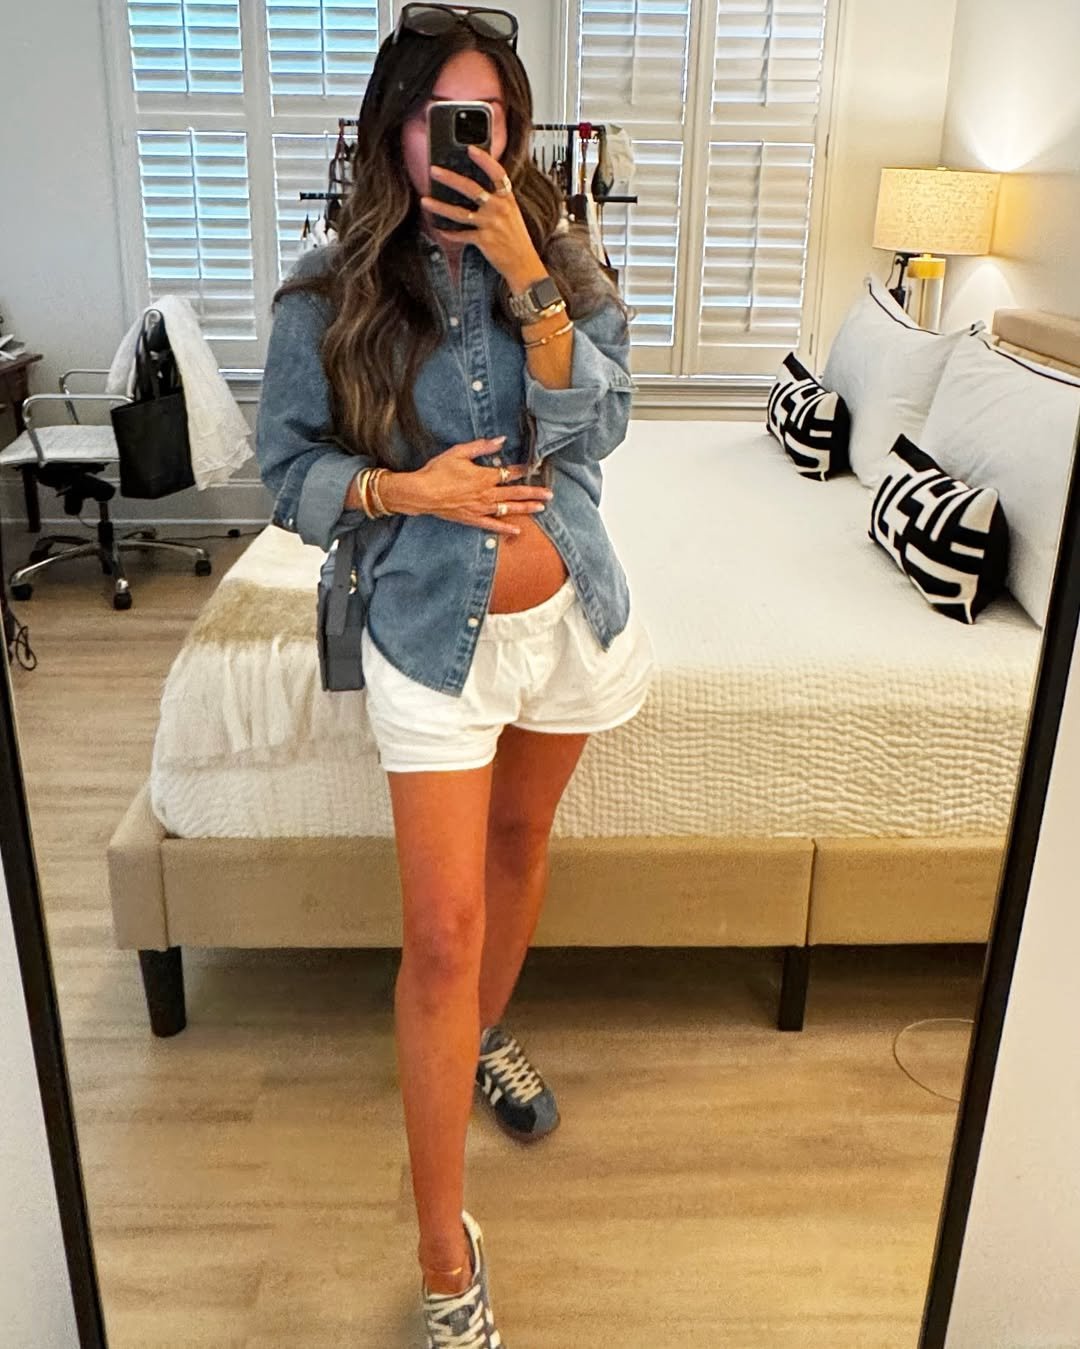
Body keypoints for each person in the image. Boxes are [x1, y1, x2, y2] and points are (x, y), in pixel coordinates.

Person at [255, 4, 656, 1343]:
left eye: (489, 119)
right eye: (443, 118)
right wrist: (401, 487)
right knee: (437, 933)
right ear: (397, 129)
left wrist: (530, 276)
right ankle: (445, 1258)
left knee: (521, 845)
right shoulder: (329, 290)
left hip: (571, 613)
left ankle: (484, 1034)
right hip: (430, 634)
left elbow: (599, 427)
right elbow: (286, 472)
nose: (466, 142)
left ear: (516, 135)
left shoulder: (560, 258)